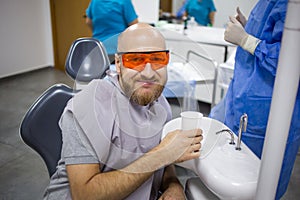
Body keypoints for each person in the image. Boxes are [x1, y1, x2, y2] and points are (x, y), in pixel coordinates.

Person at [43, 23, 203, 200]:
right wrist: (162, 154)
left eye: (157, 59)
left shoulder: (160, 103)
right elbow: (85, 195)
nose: (149, 74)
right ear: (118, 64)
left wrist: (173, 185)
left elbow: (164, 163)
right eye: (135, 60)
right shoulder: (88, 106)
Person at [209, 0, 300, 199]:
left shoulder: (292, 5)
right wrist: (249, 27)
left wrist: (246, 40)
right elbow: (275, 35)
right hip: (245, 93)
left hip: (267, 107)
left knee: (259, 181)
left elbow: (291, 59)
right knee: (234, 172)